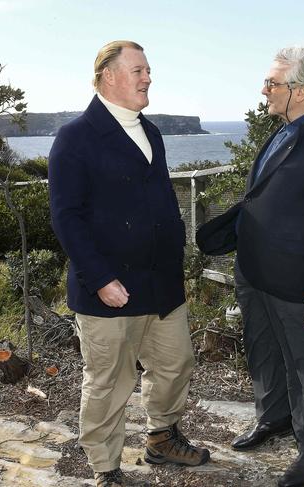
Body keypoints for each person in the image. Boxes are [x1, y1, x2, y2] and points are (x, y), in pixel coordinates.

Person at [48, 40, 210, 487]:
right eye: (138, 70)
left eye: (147, 70)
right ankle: (105, 468)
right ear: (109, 77)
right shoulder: (75, 138)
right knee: (108, 382)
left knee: (176, 363)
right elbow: (66, 217)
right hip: (109, 289)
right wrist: (99, 278)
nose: (147, 78)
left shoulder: (151, 131)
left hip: (161, 284)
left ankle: (161, 438)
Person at [197, 46, 304, 487]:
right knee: (263, 352)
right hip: (253, 272)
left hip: (297, 283)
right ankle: (273, 419)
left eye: (272, 83)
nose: (263, 90)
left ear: (301, 90)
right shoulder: (280, 131)